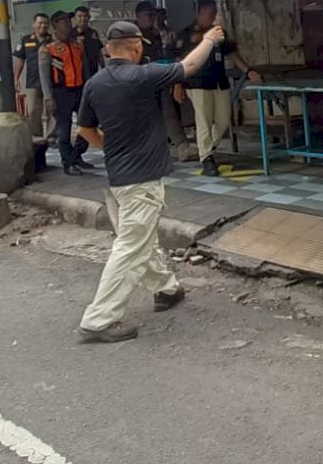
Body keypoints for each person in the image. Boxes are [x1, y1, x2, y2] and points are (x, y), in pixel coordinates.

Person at [74, 19, 227, 343]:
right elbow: (189, 66)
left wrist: (109, 145)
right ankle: (99, 320)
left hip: (117, 178)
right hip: (141, 181)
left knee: (141, 239)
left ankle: (166, 289)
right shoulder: (141, 76)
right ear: (136, 47)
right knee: (131, 247)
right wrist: (210, 40)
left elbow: (85, 130)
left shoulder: (95, 84)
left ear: (108, 49)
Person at [176, 0, 262, 176]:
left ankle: (207, 147)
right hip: (197, 83)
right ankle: (206, 157)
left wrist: (247, 70)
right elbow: (180, 62)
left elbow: (231, 52)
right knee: (204, 120)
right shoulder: (187, 34)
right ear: (200, 13)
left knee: (223, 120)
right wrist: (177, 84)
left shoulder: (219, 32)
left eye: (215, 13)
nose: (213, 17)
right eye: (210, 13)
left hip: (219, 82)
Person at [39, 10, 89, 175]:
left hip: (79, 90)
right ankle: (68, 162)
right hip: (61, 93)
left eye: (68, 21)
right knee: (64, 130)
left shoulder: (77, 45)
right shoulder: (48, 48)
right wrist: (48, 97)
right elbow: (44, 76)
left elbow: (85, 70)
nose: (68, 24)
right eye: (64, 21)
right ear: (55, 25)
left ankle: (76, 156)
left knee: (87, 126)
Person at [136, 1, 186, 148]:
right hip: (139, 80)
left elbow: (160, 54)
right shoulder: (133, 35)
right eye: (149, 15)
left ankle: (179, 144)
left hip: (157, 76)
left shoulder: (155, 34)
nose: (153, 18)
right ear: (139, 16)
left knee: (168, 109)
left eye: (154, 15)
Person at [15, 13, 53, 172]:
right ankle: (36, 139)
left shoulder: (53, 40)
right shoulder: (26, 40)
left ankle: (50, 139)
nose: (42, 26)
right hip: (32, 83)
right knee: (32, 112)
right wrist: (16, 78)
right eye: (40, 23)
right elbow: (19, 60)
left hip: (51, 83)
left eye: (45, 23)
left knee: (51, 112)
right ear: (34, 24)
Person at [74, 5, 104, 78]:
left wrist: (104, 68)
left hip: (94, 71)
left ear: (89, 17)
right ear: (75, 18)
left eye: (85, 16)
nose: (83, 19)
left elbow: (99, 52)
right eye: (80, 16)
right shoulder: (71, 34)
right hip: (78, 74)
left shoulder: (93, 33)